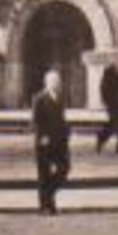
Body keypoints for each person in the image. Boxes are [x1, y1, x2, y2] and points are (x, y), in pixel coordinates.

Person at [31, 67, 71, 215]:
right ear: (46, 83)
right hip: (44, 144)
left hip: (59, 142)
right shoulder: (39, 98)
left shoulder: (60, 99)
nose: (57, 84)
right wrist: (42, 136)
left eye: (58, 81)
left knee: (64, 169)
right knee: (44, 175)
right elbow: (35, 121)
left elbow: (61, 119)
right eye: (53, 81)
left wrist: (67, 131)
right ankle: (46, 207)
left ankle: (48, 197)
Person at [96, 59, 118, 155]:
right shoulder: (108, 73)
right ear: (117, 64)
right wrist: (106, 101)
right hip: (112, 103)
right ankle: (101, 137)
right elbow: (103, 87)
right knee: (113, 124)